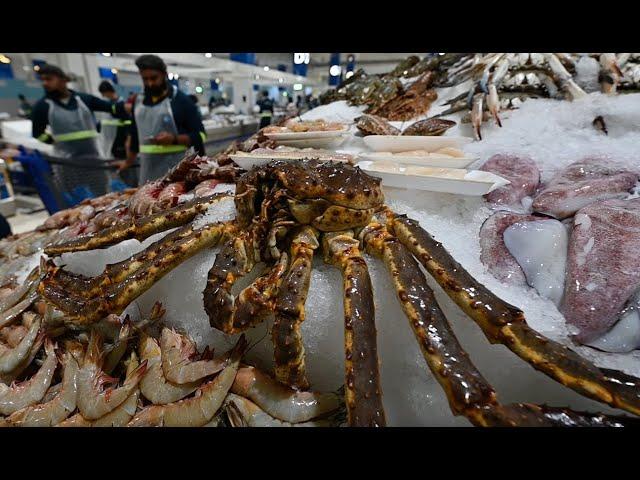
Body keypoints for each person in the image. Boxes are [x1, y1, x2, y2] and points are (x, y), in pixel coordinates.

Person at [31, 64, 125, 200]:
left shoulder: (84, 100)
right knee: (75, 201)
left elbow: (112, 108)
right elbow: (37, 133)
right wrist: (55, 142)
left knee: (102, 197)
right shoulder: (42, 106)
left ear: (63, 79)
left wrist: (126, 107)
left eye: (49, 79)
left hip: (94, 160)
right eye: (43, 80)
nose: (45, 83)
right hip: (67, 164)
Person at [118, 54, 206, 184]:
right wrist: (127, 162)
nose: (150, 83)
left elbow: (201, 135)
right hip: (148, 175)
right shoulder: (138, 102)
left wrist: (174, 139)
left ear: (164, 74)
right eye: (145, 79)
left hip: (178, 175)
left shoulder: (182, 101)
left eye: (154, 78)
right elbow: (135, 137)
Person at [97, 80, 131, 161]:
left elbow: (127, 124)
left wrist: (127, 139)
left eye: (103, 93)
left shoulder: (121, 105)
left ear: (108, 91)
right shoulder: (106, 104)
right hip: (108, 141)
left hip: (119, 140)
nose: (102, 96)